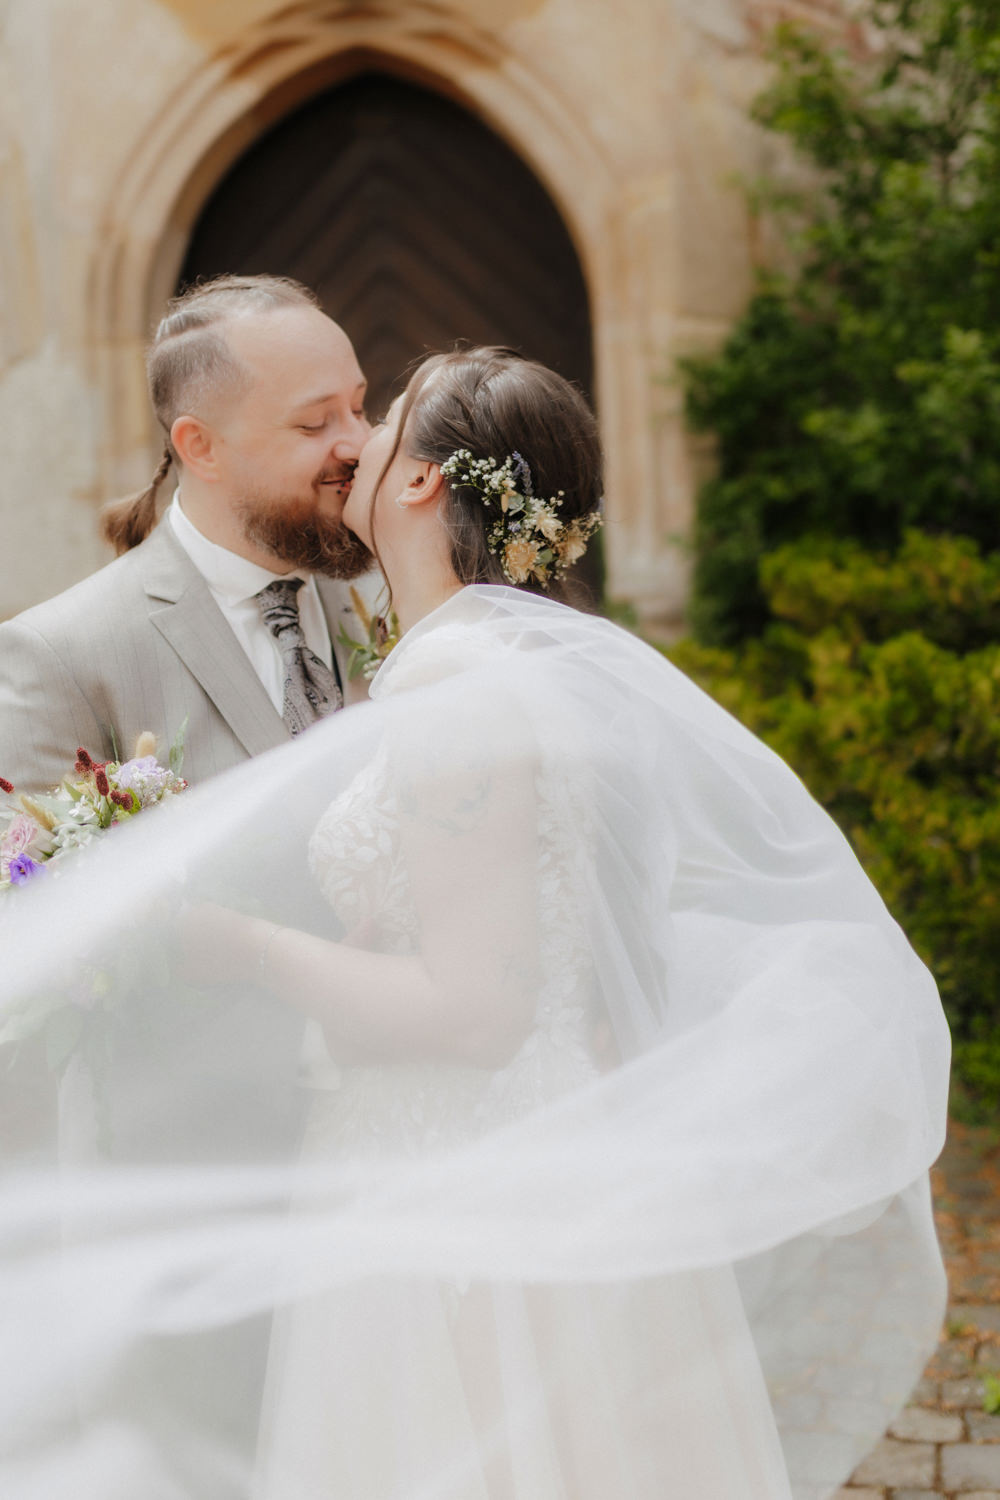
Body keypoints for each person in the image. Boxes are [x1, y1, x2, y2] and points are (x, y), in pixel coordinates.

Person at [0, 348, 949, 1500]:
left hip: (457, 1173)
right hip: (480, 1140)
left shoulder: (457, 688)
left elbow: (475, 1014)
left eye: (380, 418)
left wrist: (237, 944)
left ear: (417, 484)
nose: (357, 441)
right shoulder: (482, 661)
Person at [0, 274, 378, 793]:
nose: (361, 443)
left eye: (358, 409)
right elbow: (44, 870)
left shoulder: (395, 587)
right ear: (200, 447)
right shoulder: (61, 658)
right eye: (315, 423)